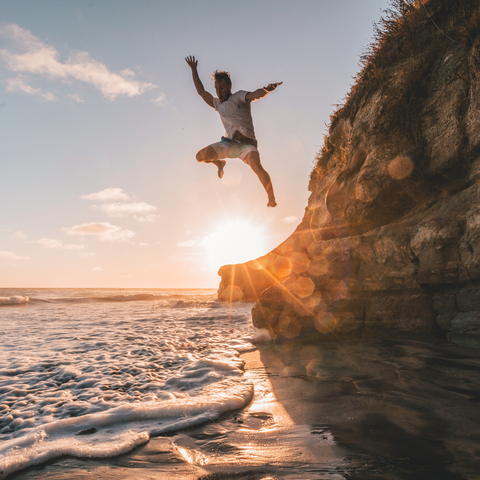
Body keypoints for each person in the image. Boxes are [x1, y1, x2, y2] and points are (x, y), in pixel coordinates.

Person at [185, 55, 282, 208]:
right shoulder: (217, 104)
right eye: (216, 88)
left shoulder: (239, 97)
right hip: (229, 145)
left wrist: (266, 89)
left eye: (221, 87)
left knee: (256, 166)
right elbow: (201, 91)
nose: (218, 91)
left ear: (229, 87)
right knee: (200, 156)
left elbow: (254, 95)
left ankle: (271, 197)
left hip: (247, 145)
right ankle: (219, 163)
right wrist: (194, 69)